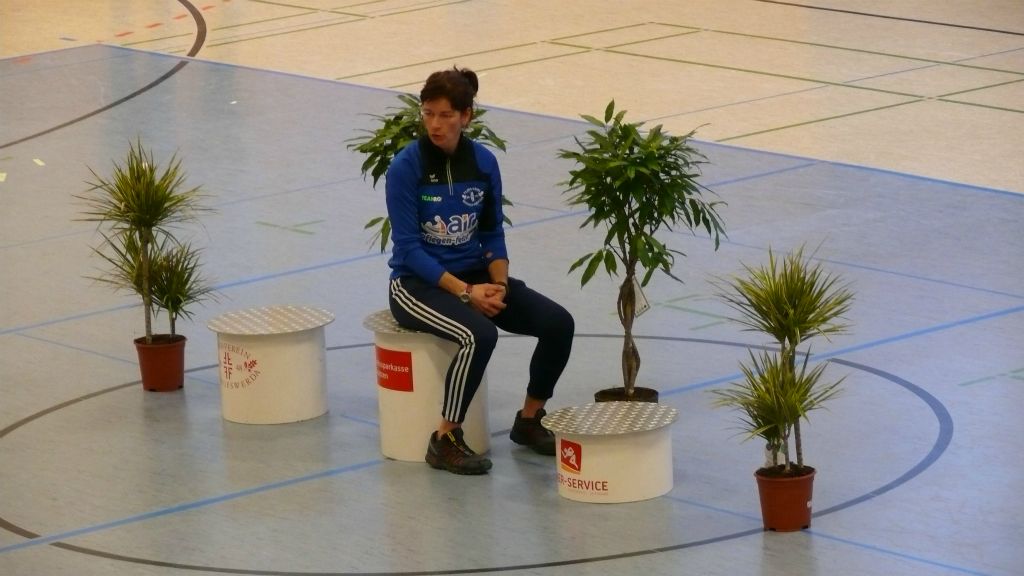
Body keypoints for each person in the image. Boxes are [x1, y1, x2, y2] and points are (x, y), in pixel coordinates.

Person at [385, 67, 575, 475]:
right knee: (479, 335)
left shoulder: (484, 163)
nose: (435, 125)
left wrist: (499, 285)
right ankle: (444, 439)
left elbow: (491, 233)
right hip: (417, 285)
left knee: (558, 323)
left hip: (476, 276)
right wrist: (465, 292)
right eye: (428, 113)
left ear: (466, 116)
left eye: (445, 115)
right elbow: (409, 249)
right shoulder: (406, 167)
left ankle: (529, 420)